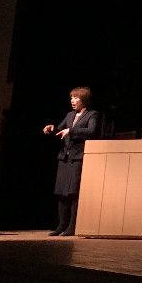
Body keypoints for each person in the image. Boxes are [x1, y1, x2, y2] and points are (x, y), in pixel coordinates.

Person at [42, 86, 99, 236]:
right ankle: (61, 225)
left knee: (72, 192)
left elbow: (91, 131)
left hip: (77, 157)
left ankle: (71, 226)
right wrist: (52, 128)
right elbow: (60, 130)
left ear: (84, 99)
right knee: (61, 192)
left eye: (76, 98)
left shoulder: (92, 114)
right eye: (71, 98)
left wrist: (71, 131)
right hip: (64, 157)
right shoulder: (69, 115)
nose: (72, 101)